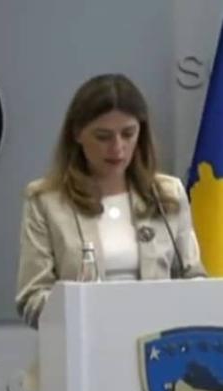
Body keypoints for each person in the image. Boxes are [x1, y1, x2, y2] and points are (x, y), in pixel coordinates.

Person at [16, 73, 204, 328]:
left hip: (159, 342)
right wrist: (89, 311)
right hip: (82, 340)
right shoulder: (45, 201)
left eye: (128, 134)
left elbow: (194, 278)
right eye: (103, 137)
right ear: (77, 134)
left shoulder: (168, 194)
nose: (117, 148)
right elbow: (32, 298)